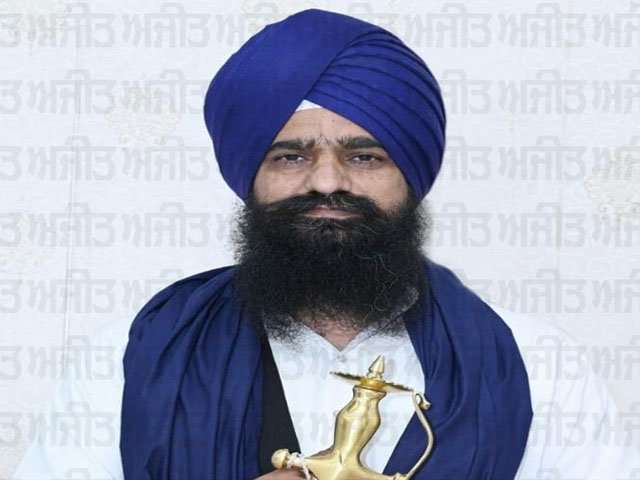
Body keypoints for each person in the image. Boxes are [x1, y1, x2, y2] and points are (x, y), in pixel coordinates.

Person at [12, 8, 640, 480]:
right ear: (250, 176)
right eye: (291, 156)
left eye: (364, 156)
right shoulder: (135, 357)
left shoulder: (536, 365)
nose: (327, 182)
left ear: (411, 176)